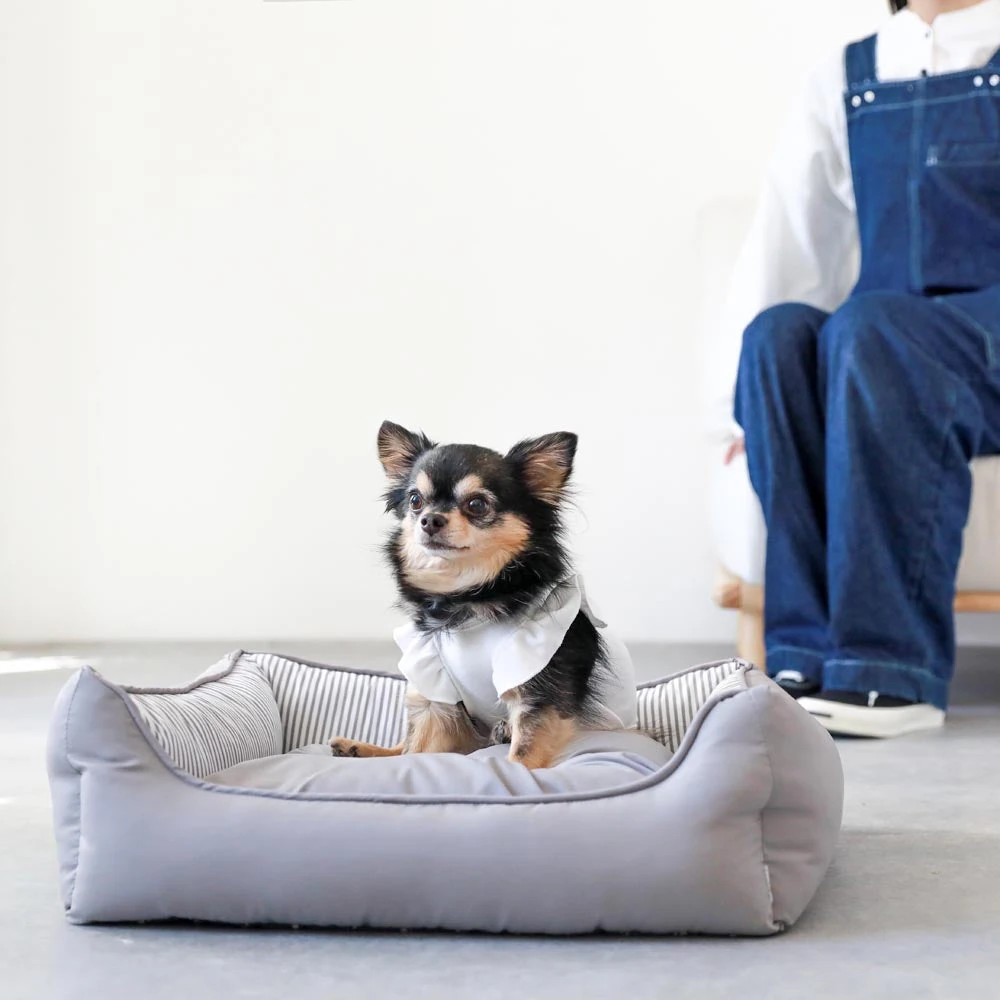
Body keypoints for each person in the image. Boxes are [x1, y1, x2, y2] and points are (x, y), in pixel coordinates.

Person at [721, 0, 1000, 737]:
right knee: (777, 338)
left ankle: (892, 672)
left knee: (872, 327)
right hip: (879, 345)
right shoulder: (846, 76)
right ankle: (804, 658)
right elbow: (791, 240)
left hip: (980, 344)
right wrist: (740, 410)